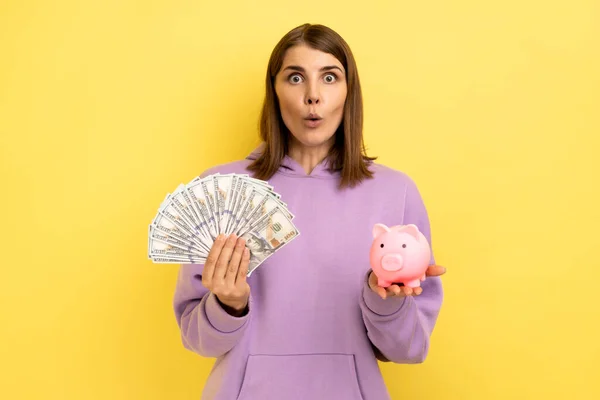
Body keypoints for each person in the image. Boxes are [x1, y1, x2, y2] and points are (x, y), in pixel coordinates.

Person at [173, 23, 446, 400]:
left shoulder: (395, 192)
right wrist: (228, 305)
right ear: (274, 90)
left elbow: (409, 350)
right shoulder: (220, 189)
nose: (312, 96)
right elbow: (196, 339)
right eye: (296, 77)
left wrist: (387, 302)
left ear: (349, 92)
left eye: (329, 77)